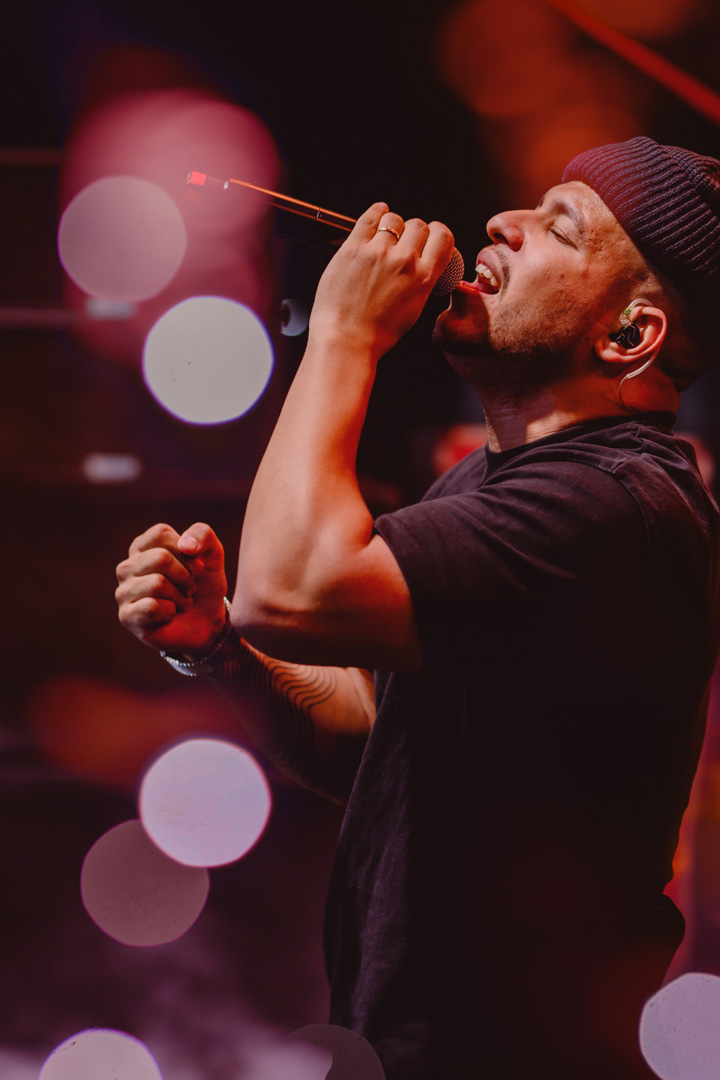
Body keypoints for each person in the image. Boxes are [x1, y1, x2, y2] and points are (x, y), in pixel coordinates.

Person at [116, 136, 720, 1079]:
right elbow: (368, 734)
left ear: (630, 335)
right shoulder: (493, 485)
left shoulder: (613, 504)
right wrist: (217, 647)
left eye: (558, 228)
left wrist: (344, 333)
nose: (503, 224)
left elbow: (290, 589)